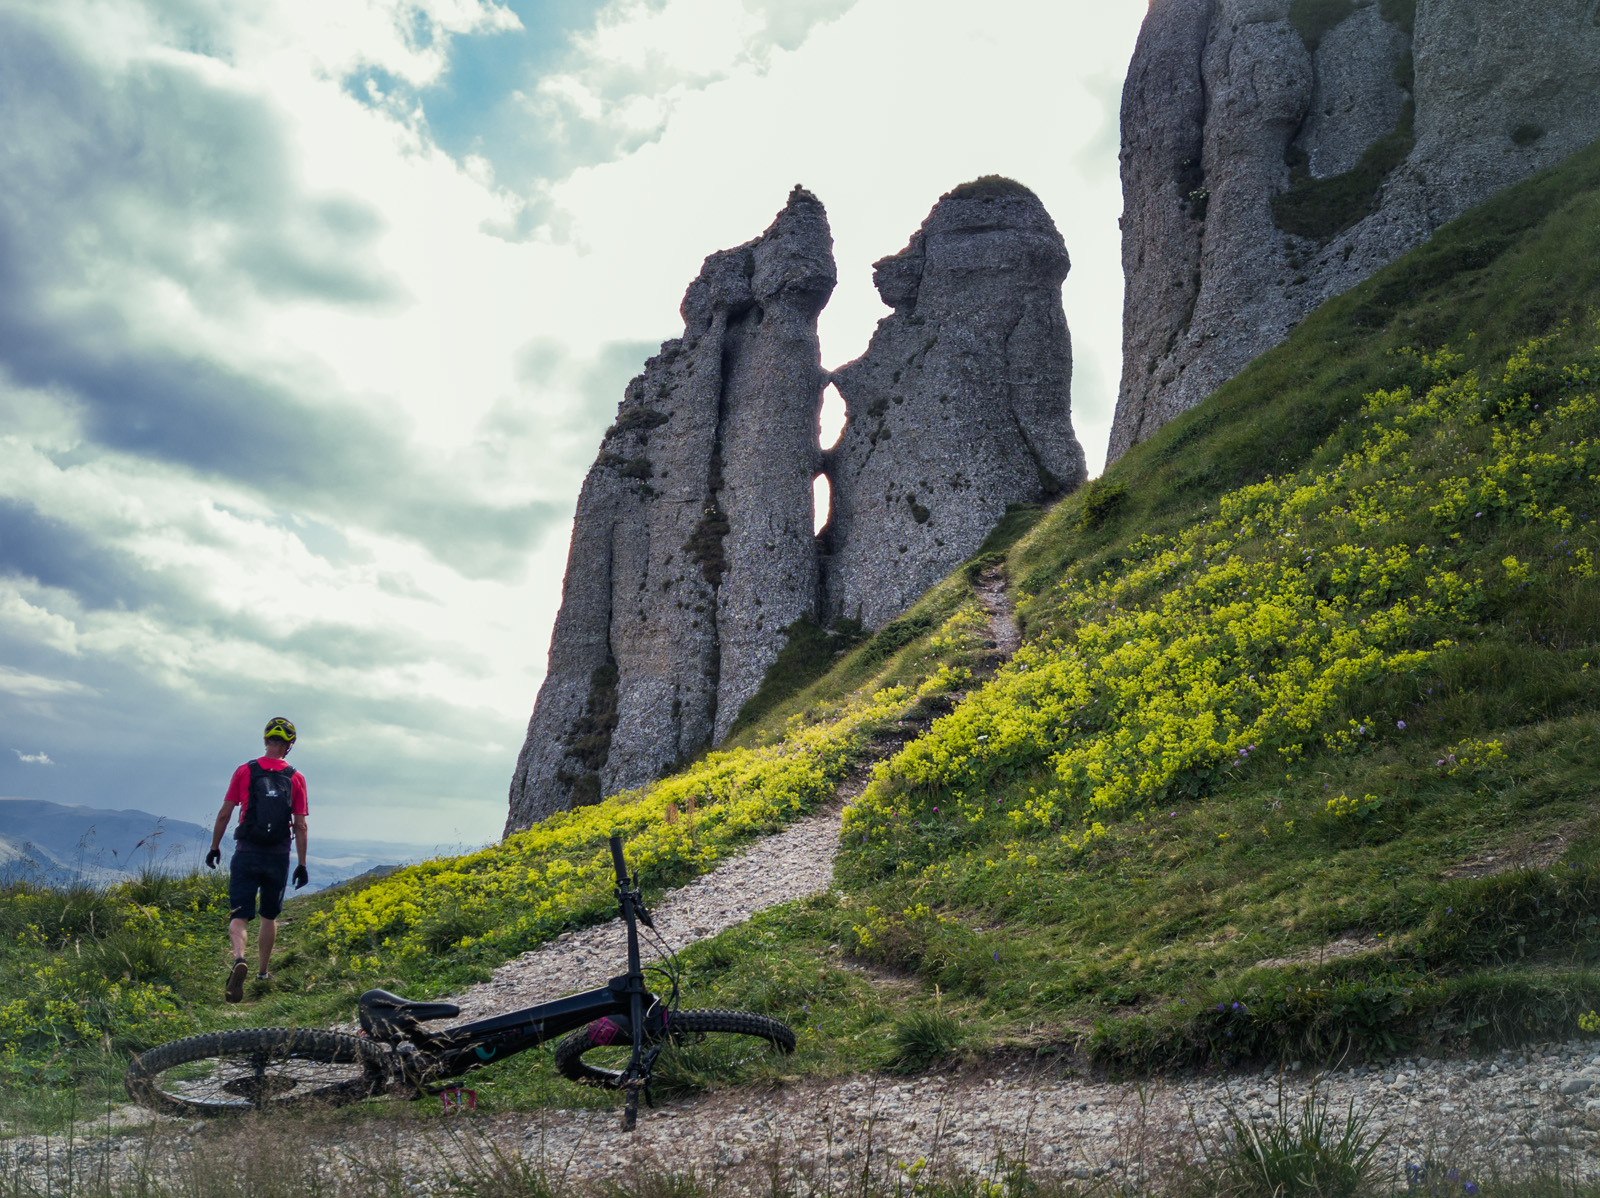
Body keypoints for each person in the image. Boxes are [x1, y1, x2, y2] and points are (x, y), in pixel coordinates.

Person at [205, 717, 310, 1003]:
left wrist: (214, 846)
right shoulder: (296, 777)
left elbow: (225, 814)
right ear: (289, 745)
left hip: (247, 851)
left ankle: (239, 959)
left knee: (239, 914)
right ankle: (262, 973)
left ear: (265, 741)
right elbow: (300, 825)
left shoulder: (245, 771)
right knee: (269, 916)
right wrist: (301, 864)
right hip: (278, 855)